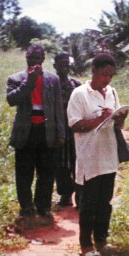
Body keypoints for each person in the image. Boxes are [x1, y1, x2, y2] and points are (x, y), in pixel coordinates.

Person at [67, 52, 128, 256]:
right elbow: (75, 125)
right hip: (90, 157)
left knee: (105, 201)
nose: (107, 79)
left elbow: (118, 125)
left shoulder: (111, 92)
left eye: (111, 75)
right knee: (88, 204)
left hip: (108, 155)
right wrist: (97, 119)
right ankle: (85, 245)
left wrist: (120, 118)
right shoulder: (79, 94)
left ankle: (101, 240)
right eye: (104, 74)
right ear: (93, 71)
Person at [6, 44, 65, 224]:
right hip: (26, 132)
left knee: (46, 172)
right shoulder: (16, 78)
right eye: (31, 56)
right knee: (24, 173)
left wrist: (61, 133)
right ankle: (26, 208)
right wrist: (29, 82)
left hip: (47, 131)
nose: (34, 60)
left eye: (38, 57)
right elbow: (11, 100)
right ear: (26, 57)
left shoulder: (53, 80)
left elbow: (58, 108)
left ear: (43, 59)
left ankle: (43, 207)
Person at [53, 52, 82, 207]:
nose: (64, 66)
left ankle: (80, 196)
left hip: (75, 129)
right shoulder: (51, 84)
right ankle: (65, 195)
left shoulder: (76, 85)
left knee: (78, 161)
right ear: (55, 66)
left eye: (66, 63)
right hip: (59, 129)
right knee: (61, 164)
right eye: (61, 63)